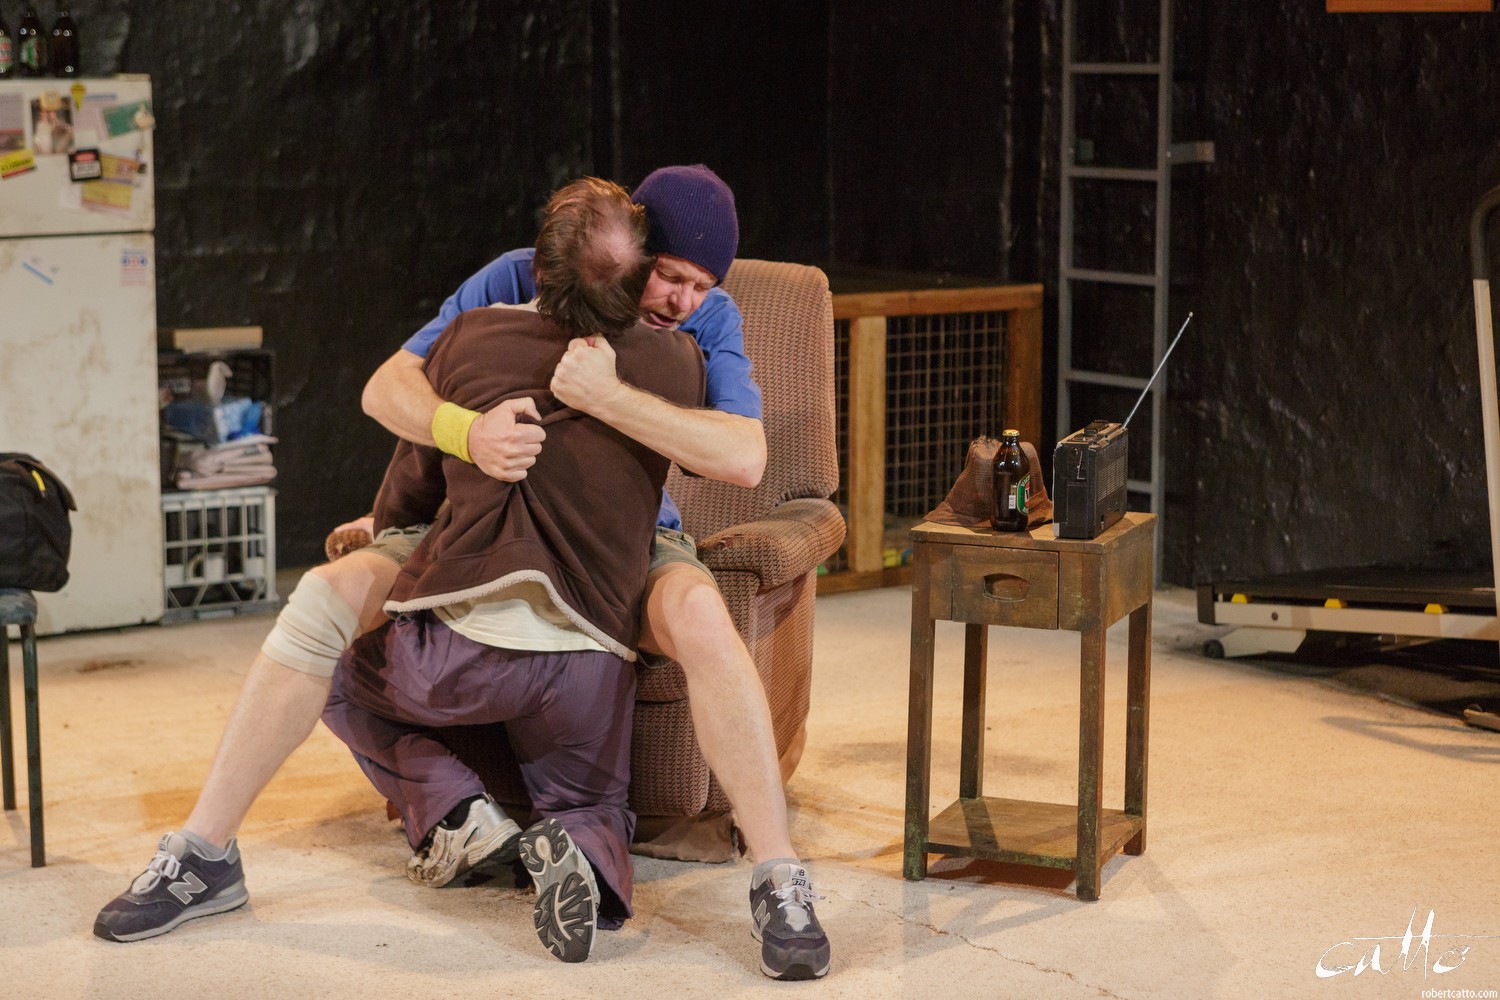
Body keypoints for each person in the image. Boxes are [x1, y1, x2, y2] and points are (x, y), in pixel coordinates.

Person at [95, 164, 830, 981]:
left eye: (702, 283)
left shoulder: (708, 322)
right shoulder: (522, 275)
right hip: (468, 518)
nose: (683, 299)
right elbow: (387, 387)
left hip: (632, 537)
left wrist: (609, 396)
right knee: (321, 598)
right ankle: (205, 854)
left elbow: (744, 456)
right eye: (670, 275)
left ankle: (777, 876)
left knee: (700, 617)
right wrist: (468, 433)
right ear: (631, 249)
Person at [321, 176, 705, 963]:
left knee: (331, 666)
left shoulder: (466, 340)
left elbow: (414, 481)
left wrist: (384, 532)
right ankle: (588, 865)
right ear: (639, 275)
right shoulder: (679, 364)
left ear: (539, 266)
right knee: (592, 797)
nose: (685, 298)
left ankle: (458, 812)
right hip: (596, 648)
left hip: (466, 650)